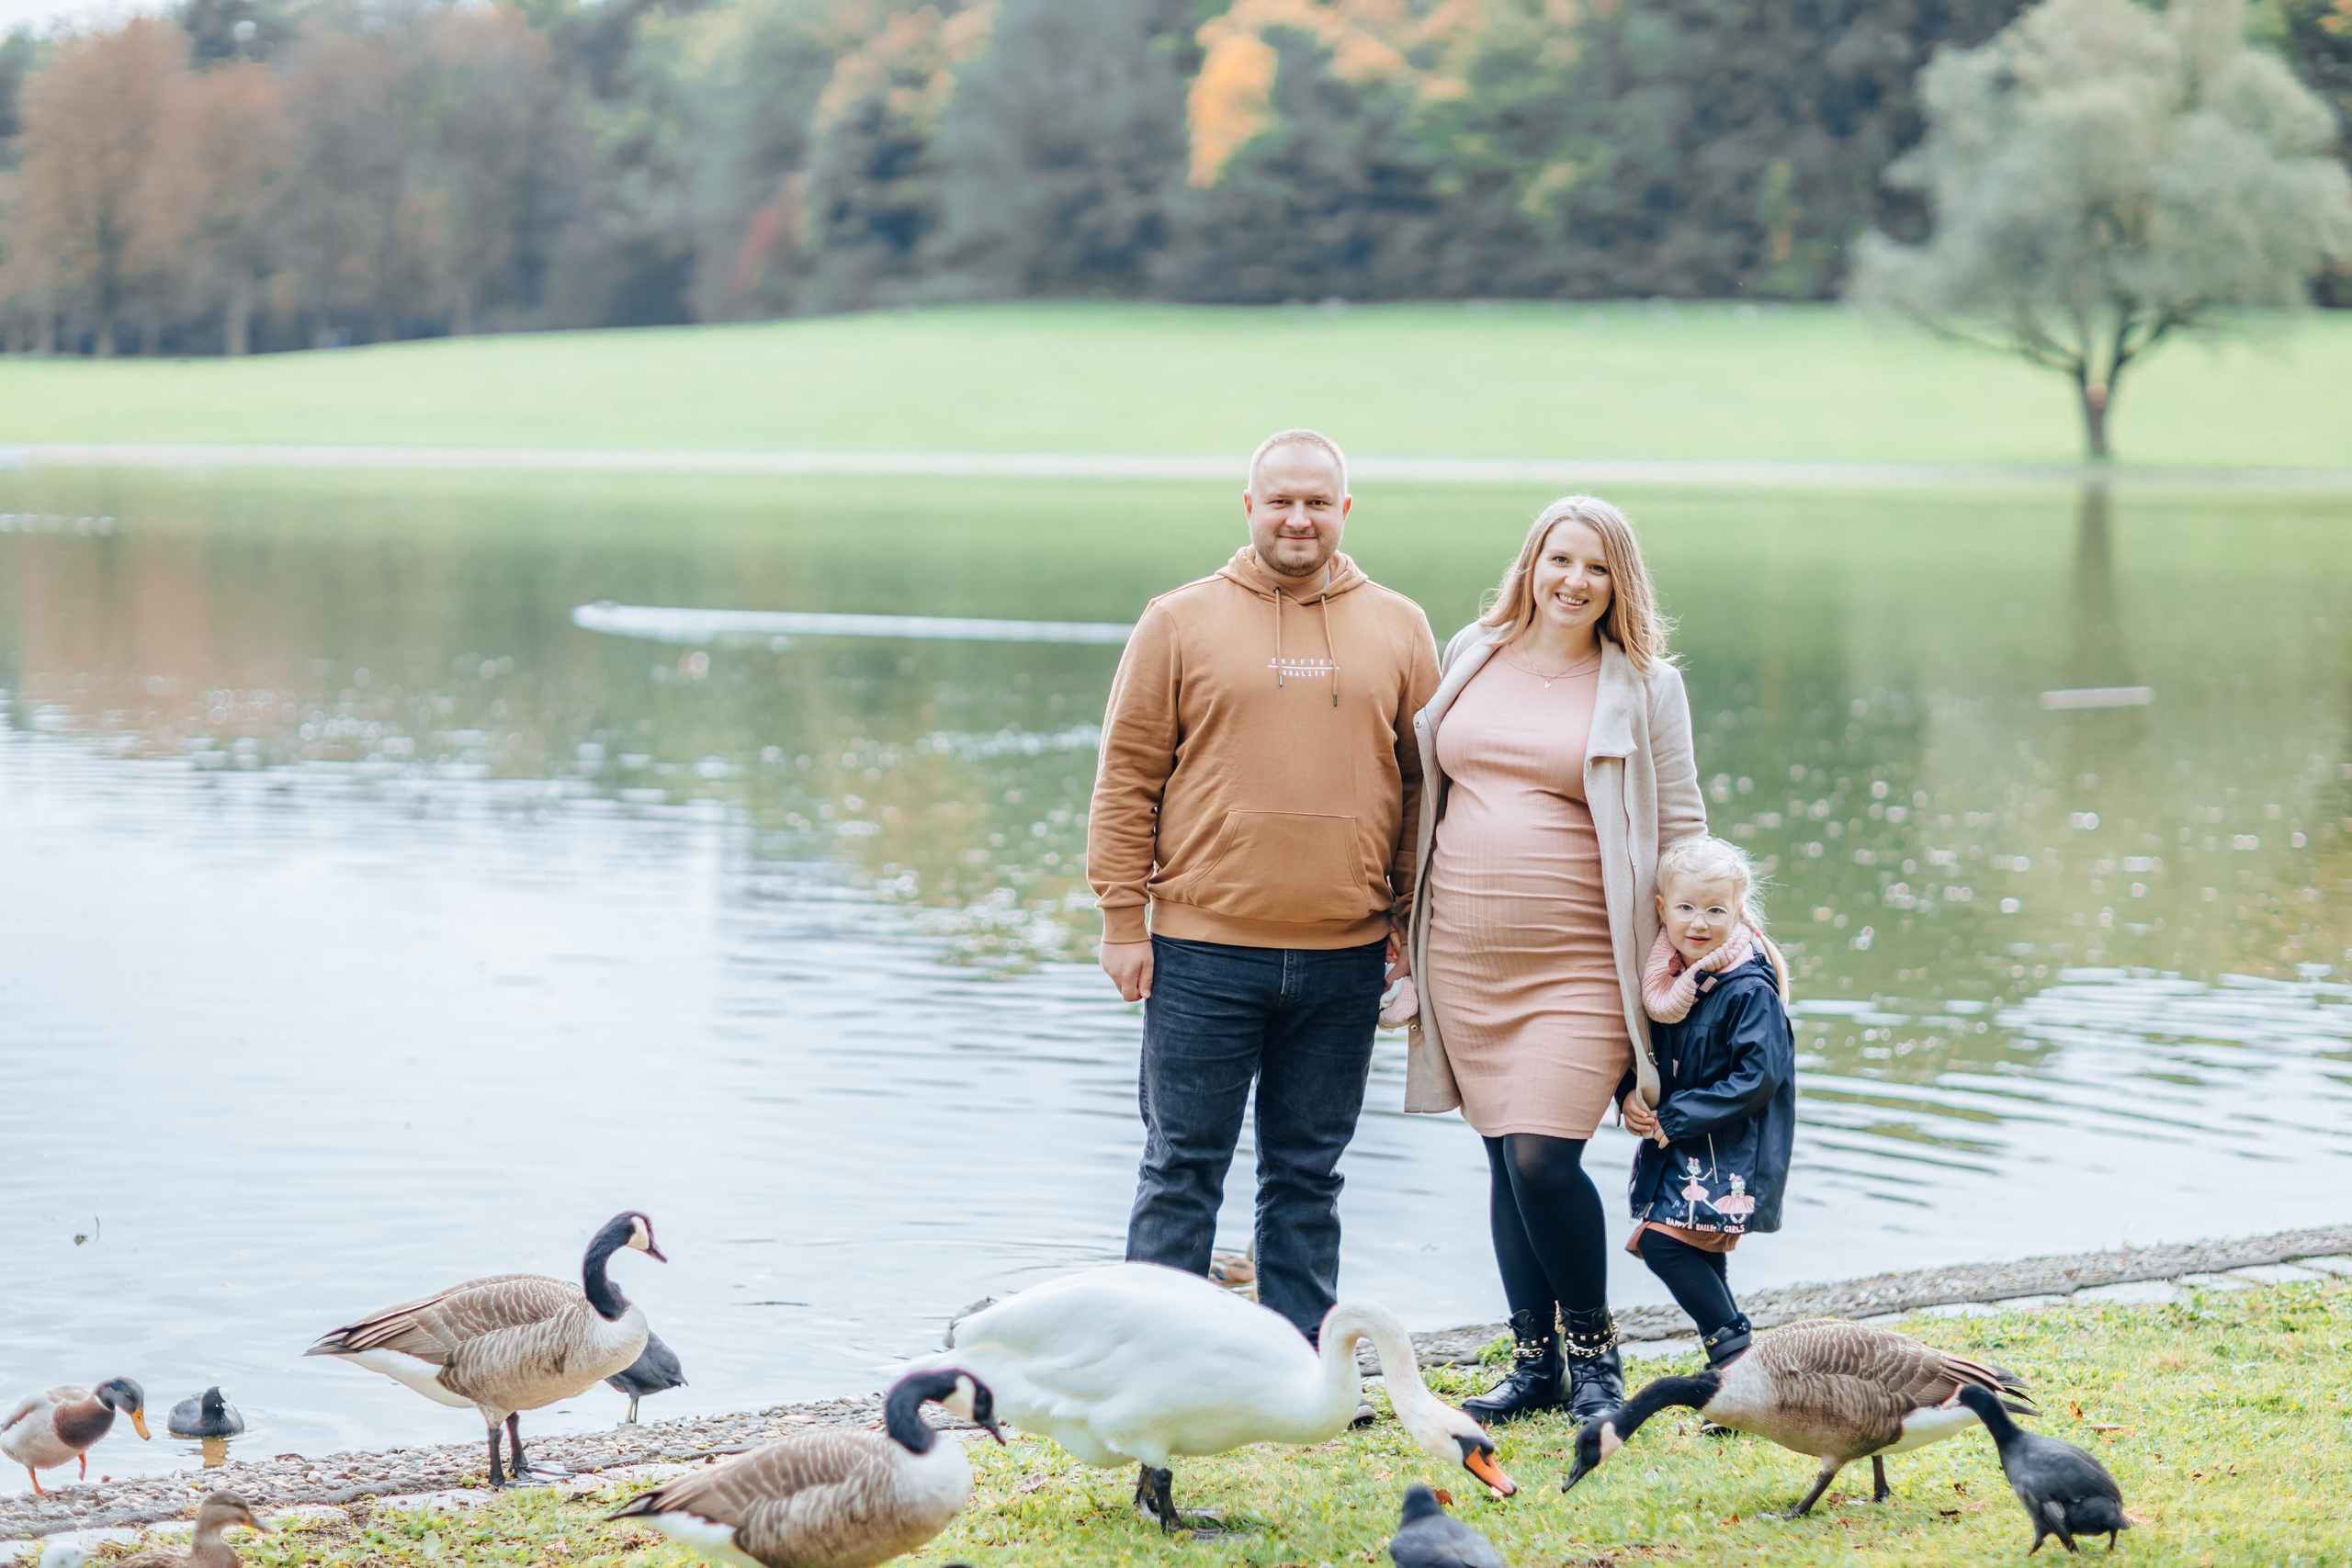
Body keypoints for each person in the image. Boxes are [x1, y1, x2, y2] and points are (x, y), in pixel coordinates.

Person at [1087, 428, 1442, 1340]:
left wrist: (1410, 925)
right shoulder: (1178, 620)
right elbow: (1126, 776)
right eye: (1279, 500)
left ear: (1344, 512)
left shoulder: (1398, 626)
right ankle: (1153, 1361)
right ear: (1248, 508)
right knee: (1180, 1169)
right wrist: (1124, 921)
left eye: (1316, 502)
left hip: (1346, 959)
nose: (1297, 518)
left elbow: (1423, 790)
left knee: (1308, 1173)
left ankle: (1295, 1365)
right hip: (1200, 954)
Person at [1401, 493, 1704, 1424]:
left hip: (1581, 964)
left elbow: (1681, 821)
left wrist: (1713, 935)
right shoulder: (1471, 653)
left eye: (1597, 567)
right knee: (1502, 1158)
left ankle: (1597, 1362)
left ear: (1620, 585)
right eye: (1560, 560)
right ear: (1531, 565)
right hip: (1462, 953)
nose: (1574, 581)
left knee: (1541, 1158)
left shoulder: (1643, 685)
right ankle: (1535, 1369)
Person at [1621, 835, 1795, 1373]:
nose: (1700, 922)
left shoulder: (1747, 988)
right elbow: (1651, 1056)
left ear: (1737, 911)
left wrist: (1675, 1117)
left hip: (1729, 1150)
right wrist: (1630, 1095)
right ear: (1661, 910)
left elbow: (1758, 1077)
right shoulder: (1669, 983)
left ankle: (1736, 1354)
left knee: (1661, 1244)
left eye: (1716, 910)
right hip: (1683, 1142)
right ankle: (1736, 1372)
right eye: (1686, 908)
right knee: (1694, 1249)